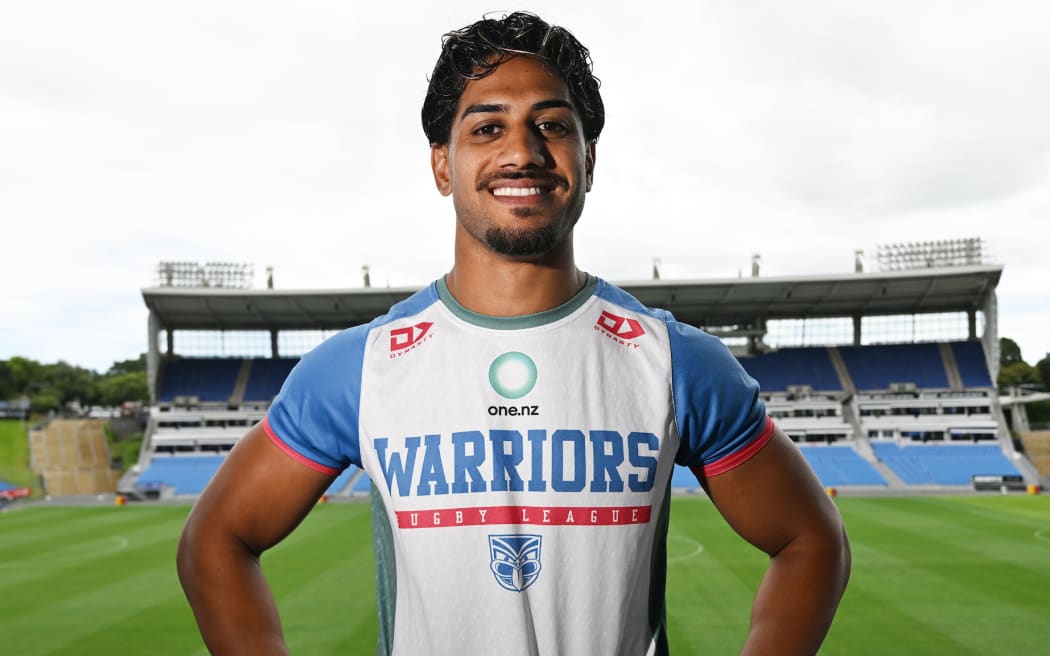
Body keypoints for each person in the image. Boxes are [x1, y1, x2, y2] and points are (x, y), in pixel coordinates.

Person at [177, 11, 850, 655]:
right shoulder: (362, 366)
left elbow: (811, 542)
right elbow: (216, 540)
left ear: (589, 157)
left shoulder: (675, 361)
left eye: (552, 125)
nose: (522, 153)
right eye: (487, 128)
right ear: (443, 164)